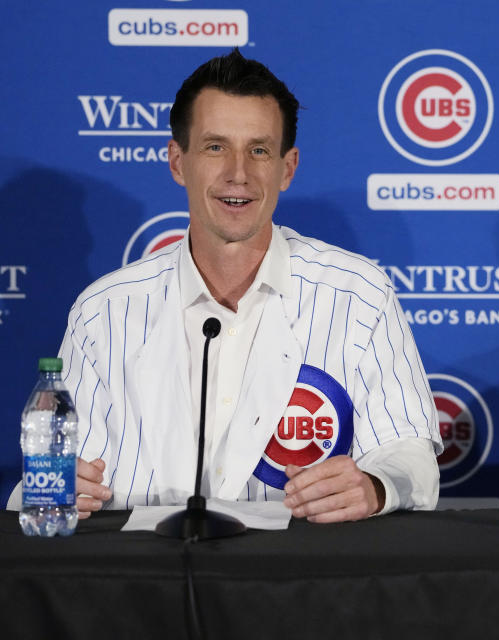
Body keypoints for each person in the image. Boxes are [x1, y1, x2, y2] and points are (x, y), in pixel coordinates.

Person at [10, 50, 442, 522]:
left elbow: (411, 458)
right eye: (216, 147)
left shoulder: (360, 295)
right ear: (178, 162)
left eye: (259, 150)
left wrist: (376, 487)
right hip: (144, 584)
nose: (238, 172)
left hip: (300, 584)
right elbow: (45, 485)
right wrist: (53, 488)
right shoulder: (104, 312)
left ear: (288, 167)